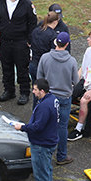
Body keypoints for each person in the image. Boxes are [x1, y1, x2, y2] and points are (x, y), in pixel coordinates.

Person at [14, 79, 59, 181]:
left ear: (42, 91)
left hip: (41, 144)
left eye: (35, 90)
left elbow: (38, 127)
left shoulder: (44, 106)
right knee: (47, 170)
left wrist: (22, 127)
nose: (33, 92)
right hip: (49, 141)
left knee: (41, 173)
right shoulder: (52, 100)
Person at [0, 0, 37, 105]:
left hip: (20, 41)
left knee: (22, 68)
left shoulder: (26, 4)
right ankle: (9, 91)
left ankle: (24, 92)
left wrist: (29, 40)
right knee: (6, 67)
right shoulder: (0, 1)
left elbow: (33, 22)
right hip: (5, 41)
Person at [37, 32, 77, 166]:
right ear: (67, 44)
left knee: (45, 125)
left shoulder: (45, 57)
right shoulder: (71, 61)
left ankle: (43, 156)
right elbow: (75, 81)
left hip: (48, 97)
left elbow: (39, 77)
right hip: (64, 98)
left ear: (55, 42)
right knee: (62, 127)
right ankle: (61, 156)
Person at [29, 11, 59, 80]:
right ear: (55, 21)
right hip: (44, 68)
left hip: (33, 64)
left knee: (35, 87)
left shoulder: (36, 31)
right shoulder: (53, 35)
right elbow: (54, 52)